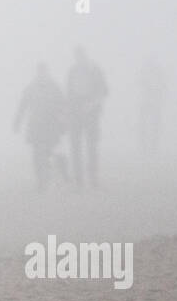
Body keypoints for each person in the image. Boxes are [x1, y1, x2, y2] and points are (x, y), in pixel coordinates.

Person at [13, 63, 66, 192]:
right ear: (37, 73)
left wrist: (64, 122)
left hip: (51, 126)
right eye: (40, 72)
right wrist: (17, 121)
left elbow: (63, 105)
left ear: (46, 72)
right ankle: (40, 180)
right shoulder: (31, 88)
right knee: (37, 154)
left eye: (43, 72)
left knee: (47, 152)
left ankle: (47, 176)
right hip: (36, 125)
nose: (42, 74)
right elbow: (23, 105)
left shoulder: (54, 87)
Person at [66, 46, 108, 187]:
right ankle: (79, 181)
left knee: (91, 146)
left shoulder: (94, 70)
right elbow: (69, 93)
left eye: (80, 56)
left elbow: (104, 90)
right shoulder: (72, 71)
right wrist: (68, 111)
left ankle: (93, 180)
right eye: (76, 56)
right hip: (75, 113)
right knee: (76, 147)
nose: (78, 58)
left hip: (91, 113)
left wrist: (92, 104)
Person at [138, 55, 166, 155]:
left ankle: (153, 146)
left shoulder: (158, 71)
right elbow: (140, 82)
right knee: (144, 124)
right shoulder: (144, 71)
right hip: (147, 100)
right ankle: (144, 146)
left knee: (155, 124)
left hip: (155, 101)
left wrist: (156, 90)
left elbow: (163, 84)